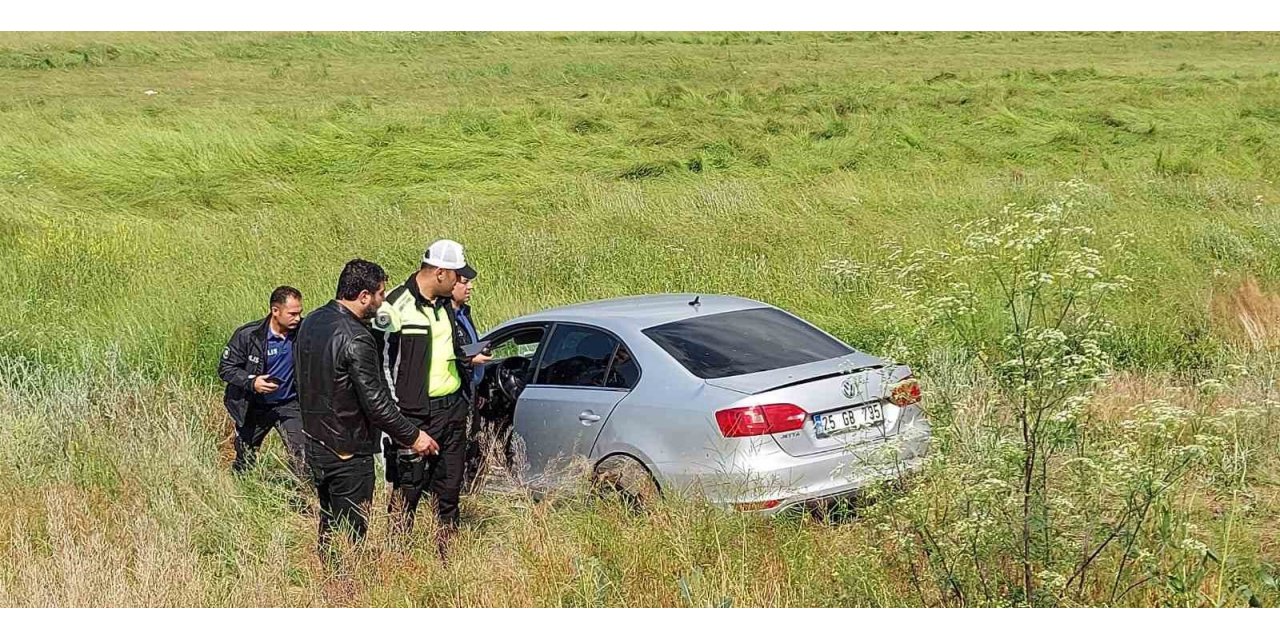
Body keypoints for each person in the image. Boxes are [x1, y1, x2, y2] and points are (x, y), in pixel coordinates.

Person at [294, 259, 438, 553]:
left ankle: (328, 582)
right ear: (363, 296)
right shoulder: (358, 338)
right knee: (351, 532)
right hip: (348, 448)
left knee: (329, 523)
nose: (384, 301)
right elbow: (376, 404)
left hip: (315, 440)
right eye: (381, 294)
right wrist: (414, 436)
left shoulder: (312, 321)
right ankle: (345, 591)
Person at [373, 239, 491, 555]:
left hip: (452, 409)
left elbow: (446, 349)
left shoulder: (444, 307)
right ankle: (397, 554)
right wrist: (398, 420)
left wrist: (468, 357)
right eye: (457, 275)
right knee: (407, 489)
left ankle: (446, 552)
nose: (460, 282)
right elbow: (378, 364)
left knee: (450, 488)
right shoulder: (395, 307)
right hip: (414, 415)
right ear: (440, 273)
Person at [218, 285, 307, 478]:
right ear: (275, 311)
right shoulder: (249, 335)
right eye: (292, 314)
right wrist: (252, 382)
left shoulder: (304, 333)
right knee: (245, 456)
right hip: (254, 405)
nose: (298, 318)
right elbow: (226, 368)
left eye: (300, 313)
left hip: (289, 404)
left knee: (301, 454)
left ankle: (301, 497)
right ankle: (241, 491)